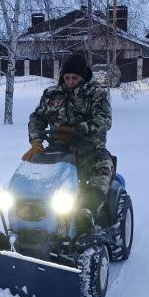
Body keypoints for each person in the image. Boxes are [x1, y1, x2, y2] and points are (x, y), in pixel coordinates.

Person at [23, 53, 114, 212]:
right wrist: (36, 142)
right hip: (57, 151)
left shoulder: (96, 94)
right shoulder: (51, 95)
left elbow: (104, 120)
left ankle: (89, 212)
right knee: (32, 173)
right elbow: (37, 118)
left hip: (90, 151)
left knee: (103, 169)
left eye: (75, 78)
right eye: (67, 77)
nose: (70, 81)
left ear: (83, 77)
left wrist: (76, 130)